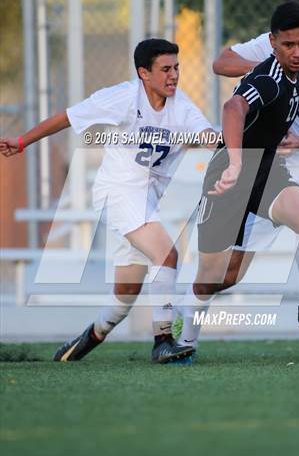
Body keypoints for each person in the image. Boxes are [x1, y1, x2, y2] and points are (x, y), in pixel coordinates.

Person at [0, 38, 215, 364]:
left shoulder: (181, 105)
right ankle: (163, 341)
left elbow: (204, 134)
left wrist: (222, 139)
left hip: (149, 200)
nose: (174, 76)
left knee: (124, 297)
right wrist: (21, 140)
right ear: (144, 72)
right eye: (166, 69)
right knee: (167, 255)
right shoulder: (122, 98)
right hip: (119, 191)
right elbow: (67, 117)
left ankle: (82, 344)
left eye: (177, 68)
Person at [176, 0, 299, 355]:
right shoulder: (275, 61)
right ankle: (183, 334)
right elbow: (232, 98)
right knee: (222, 277)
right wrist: (234, 162)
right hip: (241, 170)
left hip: (288, 170)